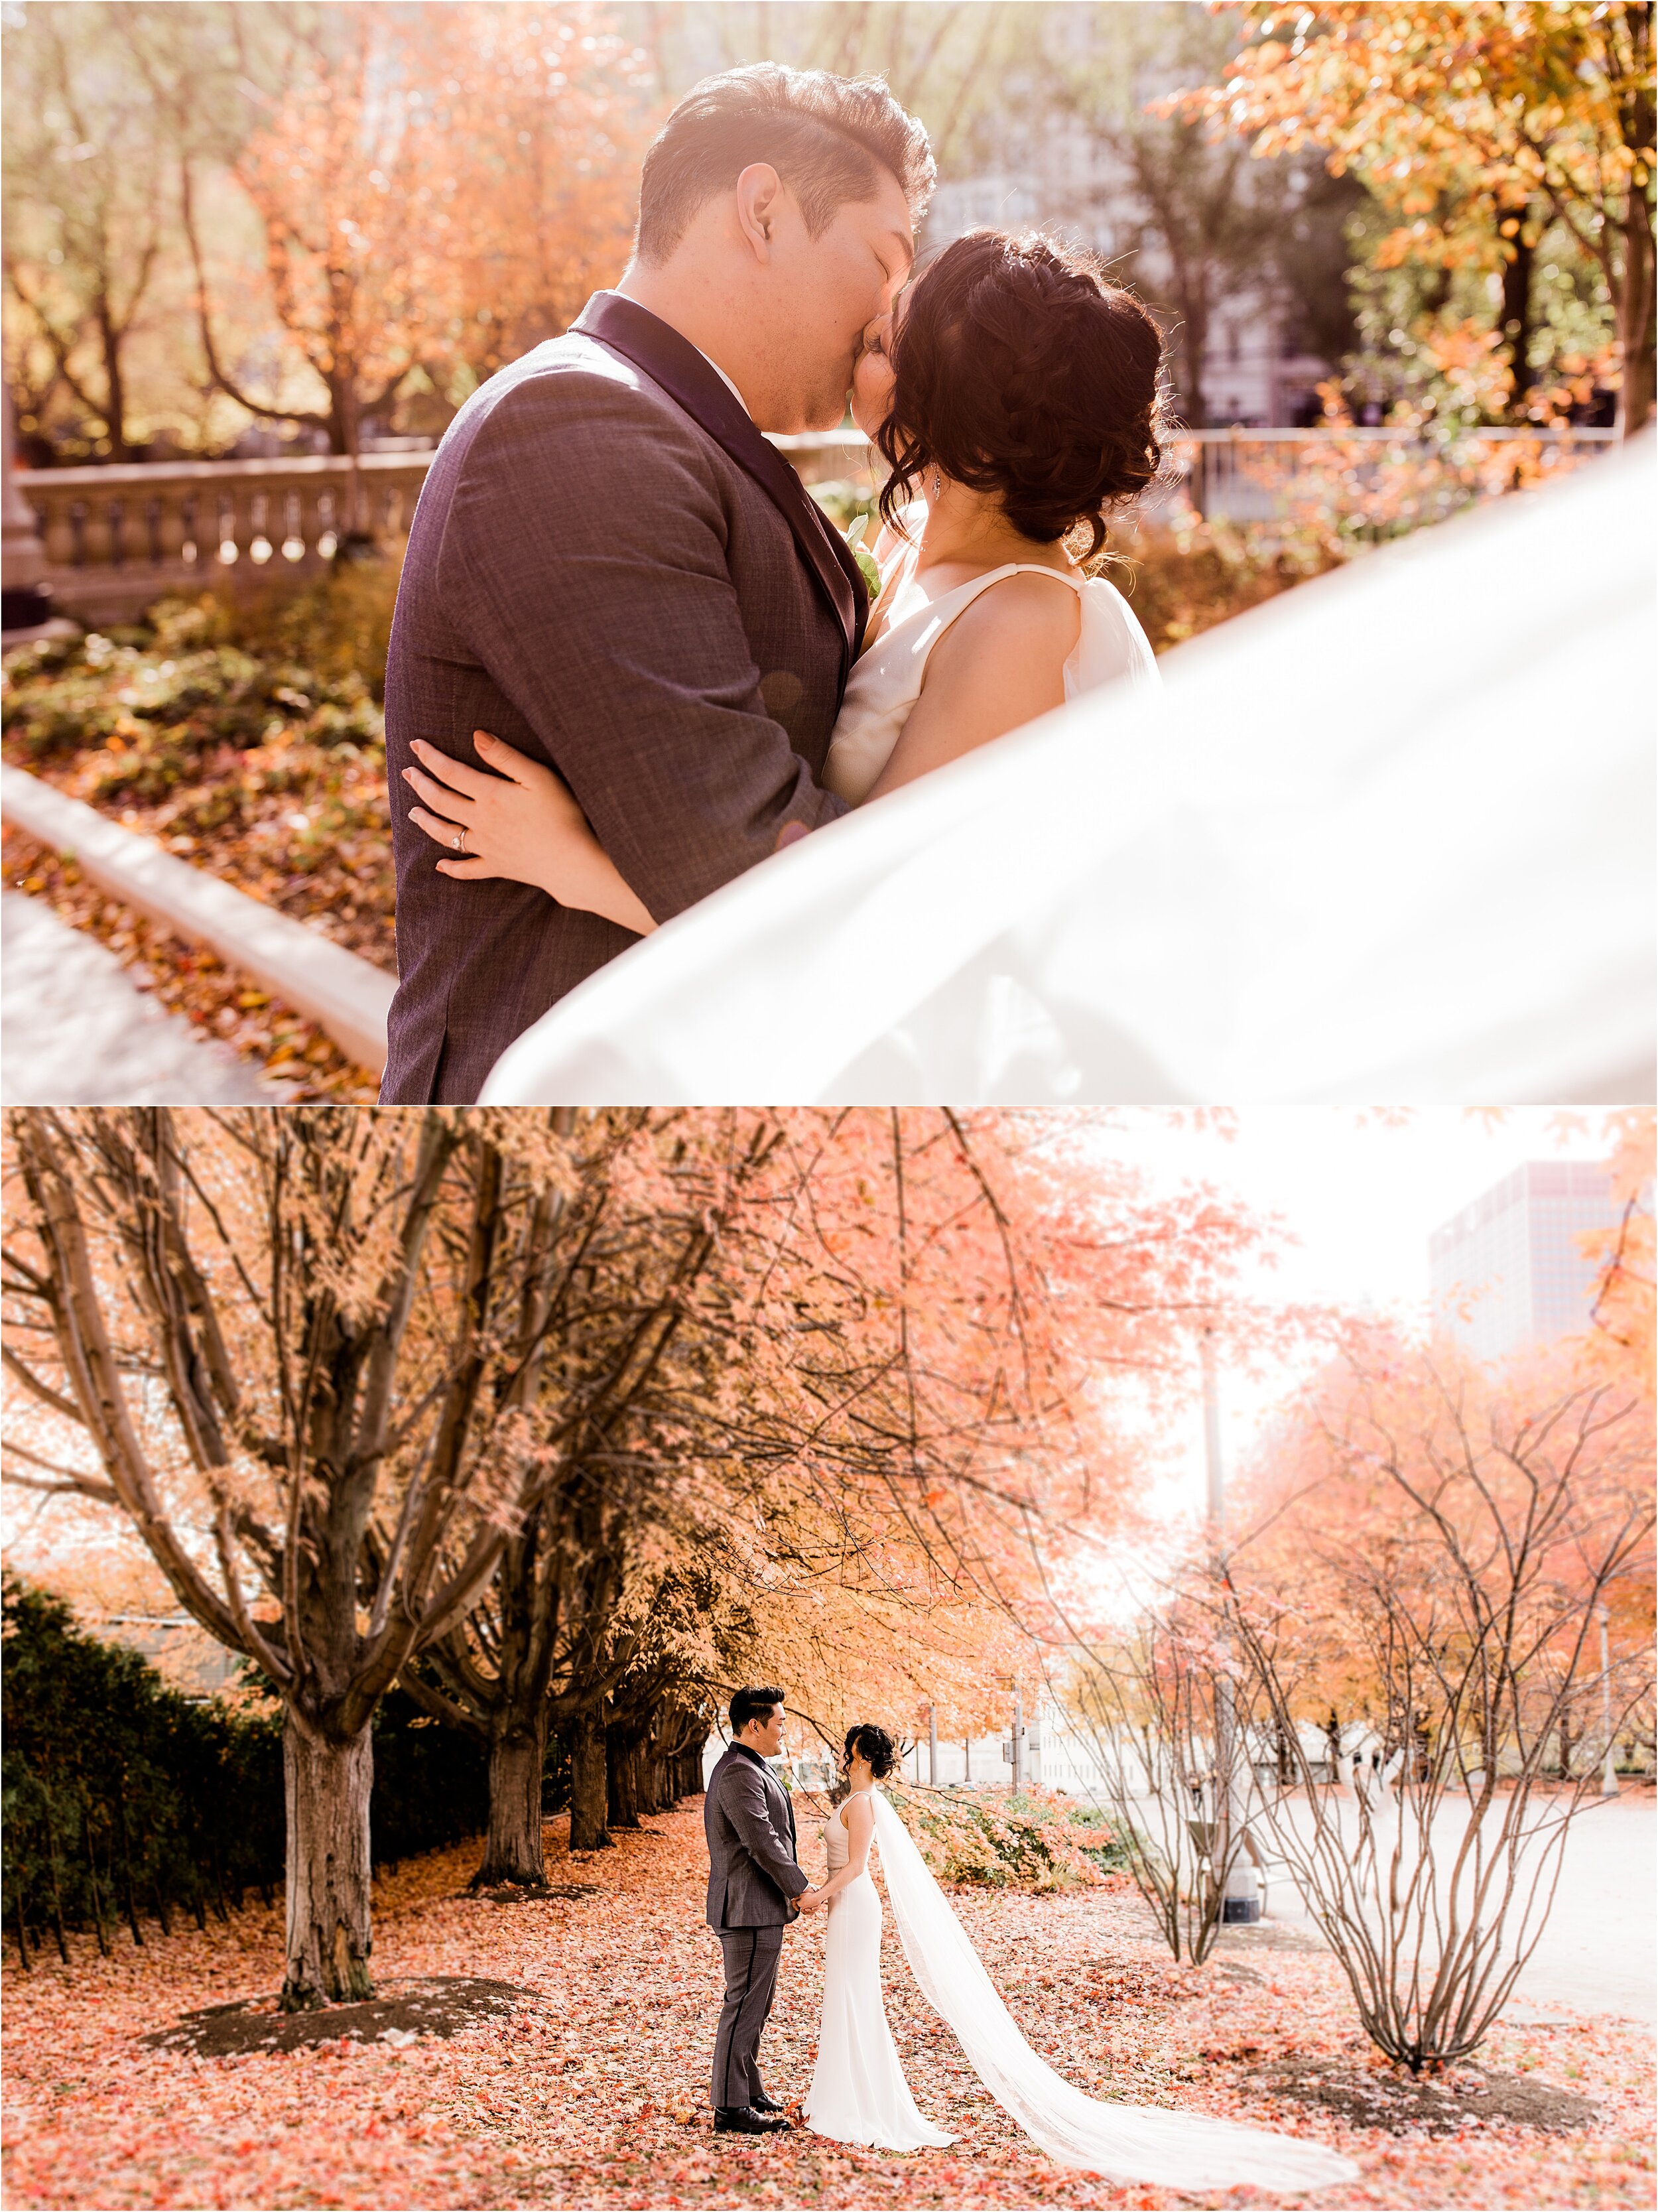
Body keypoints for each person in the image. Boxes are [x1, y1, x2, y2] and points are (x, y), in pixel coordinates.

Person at [380, 62, 932, 1102]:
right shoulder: (578, 431)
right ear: (764, 210)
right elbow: (749, 876)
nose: (889, 315)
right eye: (883, 260)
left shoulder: (675, 431)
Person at [401, 228, 1167, 954]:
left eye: (880, 345)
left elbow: (870, 927)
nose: (862, 328)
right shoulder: (900, 534)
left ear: (953, 419)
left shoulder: (1020, 621)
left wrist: (568, 862)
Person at [792, 1719, 1362, 2193]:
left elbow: (857, 1866)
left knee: (854, 1997)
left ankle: (860, 2100)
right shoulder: (861, 1798)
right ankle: (845, 2092)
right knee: (847, 1997)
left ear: (858, 1754)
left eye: (847, 1748)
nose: (842, 1755)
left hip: (852, 1904)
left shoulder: (863, 1803)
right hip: (847, 1908)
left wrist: (817, 1894)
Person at [702, 1685, 824, 2134]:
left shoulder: (751, 1766)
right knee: (743, 2005)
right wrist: (800, 1886)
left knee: (757, 2003)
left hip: (759, 1906)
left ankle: (748, 2089)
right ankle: (731, 2109)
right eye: (780, 1722)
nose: (783, 1730)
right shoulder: (738, 1771)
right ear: (754, 1724)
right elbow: (760, 1839)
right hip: (748, 1908)